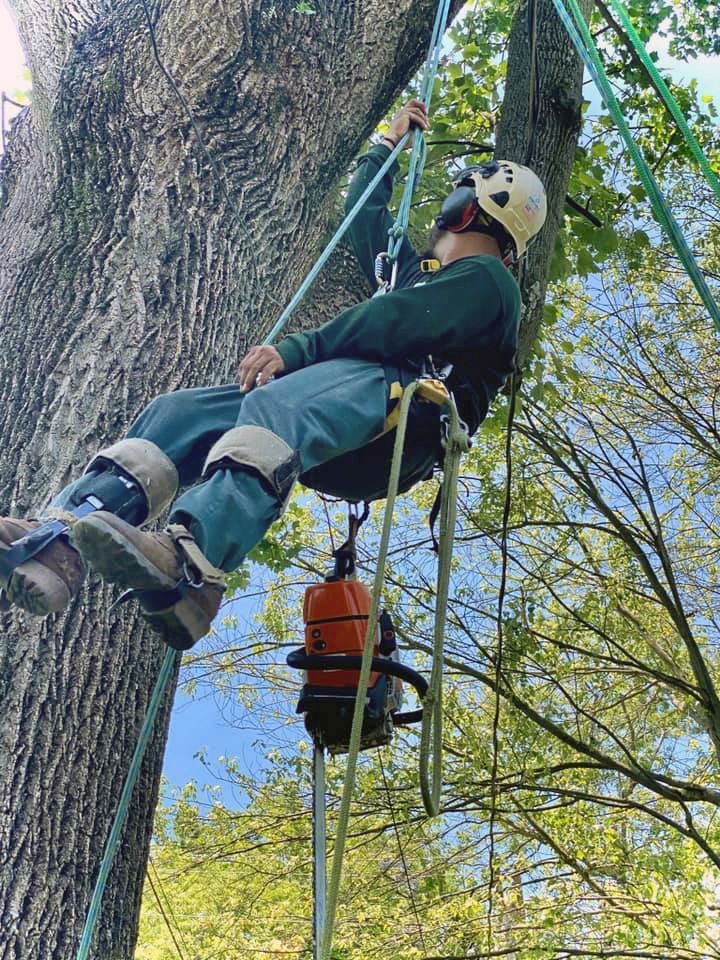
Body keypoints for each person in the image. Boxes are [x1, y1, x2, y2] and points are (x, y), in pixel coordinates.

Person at [0, 100, 547, 650]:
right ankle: (61, 537)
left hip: (407, 415)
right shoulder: (417, 274)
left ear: (471, 209)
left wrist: (300, 349)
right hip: (338, 417)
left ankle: (193, 567)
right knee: (180, 414)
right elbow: (364, 218)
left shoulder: (490, 282)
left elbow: (396, 320)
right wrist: (387, 145)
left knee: (277, 401)